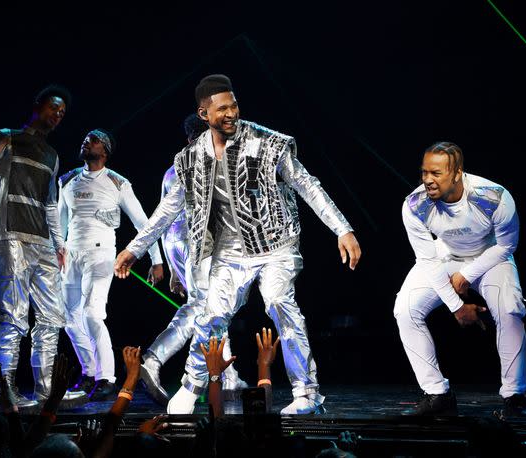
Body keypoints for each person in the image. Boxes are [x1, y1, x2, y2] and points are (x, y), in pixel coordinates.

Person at [115, 74, 361, 414]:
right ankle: (190, 387)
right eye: (222, 109)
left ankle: (306, 393)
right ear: (204, 115)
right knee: (211, 316)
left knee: (279, 303)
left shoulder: (267, 143)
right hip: (228, 252)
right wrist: (134, 249)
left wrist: (342, 229)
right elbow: (167, 210)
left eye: (233, 106)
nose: (230, 114)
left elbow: (307, 184)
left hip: (275, 244)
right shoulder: (189, 159)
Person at [0, 85, 79, 407]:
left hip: (43, 243)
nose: (58, 115)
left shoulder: (53, 155)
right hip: (10, 236)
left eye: (62, 113)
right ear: (38, 106)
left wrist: (59, 244)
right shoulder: (6, 136)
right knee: (14, 317)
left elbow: (50, 204)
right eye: (54, 108)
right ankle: (4, 389)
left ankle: (46, 388)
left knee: (52, 317)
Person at [394, 141, 526, 416]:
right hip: (444, 256)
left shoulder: (493, 197)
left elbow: (506, 246)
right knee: (405, 309)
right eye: (424, 173)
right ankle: (436, 394)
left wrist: (466, 275)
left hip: (491, 256)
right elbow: (427, 260)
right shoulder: (415, 205)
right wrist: (456, 306)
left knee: (510, 309)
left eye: (436, 173)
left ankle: (514, 396)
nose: (427, 180)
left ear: (457, 173)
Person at [140, 114, 245, 406]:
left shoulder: (171, 169)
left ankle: (229, 375)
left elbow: (164, 219)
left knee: (214, 308)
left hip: (176, 242)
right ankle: (153, 358)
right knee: (202, 308)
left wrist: (173, 268)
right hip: (201, 243)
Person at [58, 129, 163, 401]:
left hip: (101, 254)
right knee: (69, 319)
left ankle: (107, 377)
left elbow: (144, 224)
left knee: (93, 314)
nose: (86, 141)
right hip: (71, 255)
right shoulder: (67, 180)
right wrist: (55, 253)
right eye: (85, 138)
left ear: (104, 150)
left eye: (92, 139)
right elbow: (59, 224)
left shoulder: (117, 183)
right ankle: (89, 372)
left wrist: (157, 259)